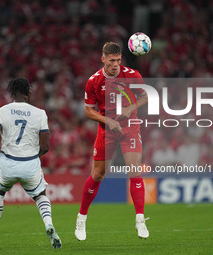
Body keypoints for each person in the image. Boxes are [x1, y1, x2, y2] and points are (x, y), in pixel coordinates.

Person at [75, 42, 149, 240]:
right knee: (98, 174)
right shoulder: (94, 81)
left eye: (118, 60)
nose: (116, 64)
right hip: (106, 130)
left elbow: (145, 97)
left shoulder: (132, 75)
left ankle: (140, 220)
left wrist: (130, 107)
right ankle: (81, 219)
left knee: (134, 170)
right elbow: (89, 111)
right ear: (103, 59)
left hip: (130, 127)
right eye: (112, 60)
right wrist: (108, 121)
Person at [0, 77, 61, 249]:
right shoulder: (40, 113)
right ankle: (48, 224)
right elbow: (46, 145)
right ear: (28, 92)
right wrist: (34, 155)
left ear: (12, 93)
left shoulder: (1, 111)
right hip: (30, 164)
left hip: (7, 163)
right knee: (40, 195)